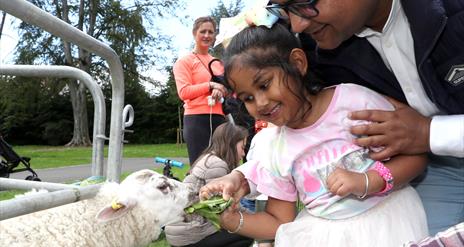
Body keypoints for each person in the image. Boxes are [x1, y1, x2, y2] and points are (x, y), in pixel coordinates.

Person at [200, 23, 428, 246]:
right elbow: (279, 220)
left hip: (388, 227)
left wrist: (368, 180)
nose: (260, 103)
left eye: (265, 84)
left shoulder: (354, 103)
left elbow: (415, 155)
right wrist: (232, 221)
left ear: (297, 63)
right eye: (247, 98)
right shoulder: (275, 148)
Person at [264, 0, 464, 235]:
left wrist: (427, 133)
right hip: (433, 172)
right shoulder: (320, 52)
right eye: (285, 10)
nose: (297, 24)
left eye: (305, 2)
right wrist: (244, 177)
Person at [164, 122, 253, 247]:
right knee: (246, 233)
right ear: (231, 144)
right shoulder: (217, 165)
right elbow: (221, 207)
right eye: (242, 148)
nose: (243, 154)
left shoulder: (208, 158)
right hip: (189, 234)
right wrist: (256, 217)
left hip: (180, 231)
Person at [174, 16, 228, 165]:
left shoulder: (218, 63)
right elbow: (184, 92)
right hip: (196, 119)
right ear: (194, 33)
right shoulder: (184, 61)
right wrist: (210, 86)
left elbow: (227, 88)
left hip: (219, 118)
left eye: (211, 32)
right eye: (203, 31)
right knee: (200, 167)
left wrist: (221, 91)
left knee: (221, 166)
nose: (207, 35)